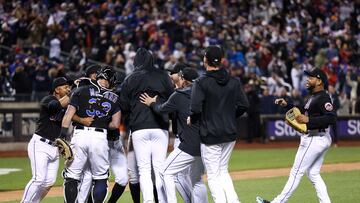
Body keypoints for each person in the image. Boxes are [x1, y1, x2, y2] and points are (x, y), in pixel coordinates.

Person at [256, 68, 336, 203]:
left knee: (296, 173)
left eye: (311, 77)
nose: (307, 79)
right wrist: (288, 105)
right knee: (313, 174)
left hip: (314, 138)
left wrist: (309, 120)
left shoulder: (323, 97)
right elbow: (302, 112)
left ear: (319, 81)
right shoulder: (314, 97)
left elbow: (332, 118)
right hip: (319, 138)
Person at [189, 45, 249, 203]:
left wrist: (194, 119)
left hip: (210, 135)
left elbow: (195, 108)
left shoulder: (201, 82)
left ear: (205, 60)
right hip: (229, 134)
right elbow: (244, 105)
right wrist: (229, 116)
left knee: (214, 176)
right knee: (223, 171)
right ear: (222, 61)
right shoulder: (234, 81)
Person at [140, 67, 208, 203]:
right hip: (205, 144)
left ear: (183, 79)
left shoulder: (179, 95)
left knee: (165, 172)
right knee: (197, 179)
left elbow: (161, 109)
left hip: (189, 145)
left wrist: (153, 103)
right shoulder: (205, 94)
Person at [119, 48, 174, 203]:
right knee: (159, 169)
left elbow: (123, 106)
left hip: (139, 128)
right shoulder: (163, 75)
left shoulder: (130, 78)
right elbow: (172, 99)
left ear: (136, 61)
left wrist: (135, 106)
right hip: (160, 127)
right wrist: (157, 102)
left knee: (143, 171)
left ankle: (148, 201)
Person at [61, 67, 121, 203]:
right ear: (110, 80)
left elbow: (68, 116)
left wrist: (62, 135)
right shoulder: (115, 98)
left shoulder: (80, 90)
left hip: (80, 135)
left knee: (72, 176)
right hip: (100, 137)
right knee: (100, 177)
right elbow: (116, 124)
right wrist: (102, 124)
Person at [21, 77, 70, 203]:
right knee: (38, 179)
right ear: (57, 89)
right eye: (65, 87)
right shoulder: (48, 100)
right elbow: (55, 107)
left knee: (49, 182)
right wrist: (74, 92)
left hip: (54, 147)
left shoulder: (68, 105)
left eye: (68, 86)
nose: (68, 89)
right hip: (40, 145)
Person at [165, 62, 195, 203]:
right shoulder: (173, 91)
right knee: (188, 177)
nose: (171, 75)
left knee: (176, 175)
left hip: (186, 140)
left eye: (173, 72)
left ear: (182, 75)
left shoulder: (183, 92)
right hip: (187, 138)